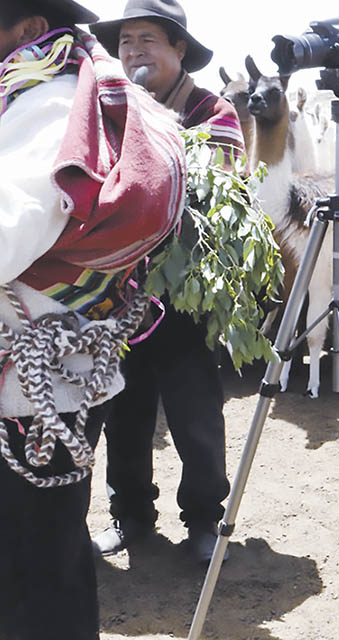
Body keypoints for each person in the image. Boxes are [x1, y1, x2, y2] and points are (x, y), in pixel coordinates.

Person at [0, 0, 185, 636]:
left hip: (31, 389)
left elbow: (6, 235)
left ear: (26, 30)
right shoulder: (30, 97)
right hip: (41, 376)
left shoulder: (45, 104)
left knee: (35, 576)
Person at [87, 0, 245, 564]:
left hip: (184, 297)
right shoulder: (102, 106)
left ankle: (204, 518)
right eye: (126, 41)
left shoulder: (213, 109)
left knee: (195, 415)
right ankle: (130, 516)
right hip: (113, 292)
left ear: (179, 49)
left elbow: (216, 181)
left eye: (148, 40)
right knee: (121, 415)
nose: (134, 51)